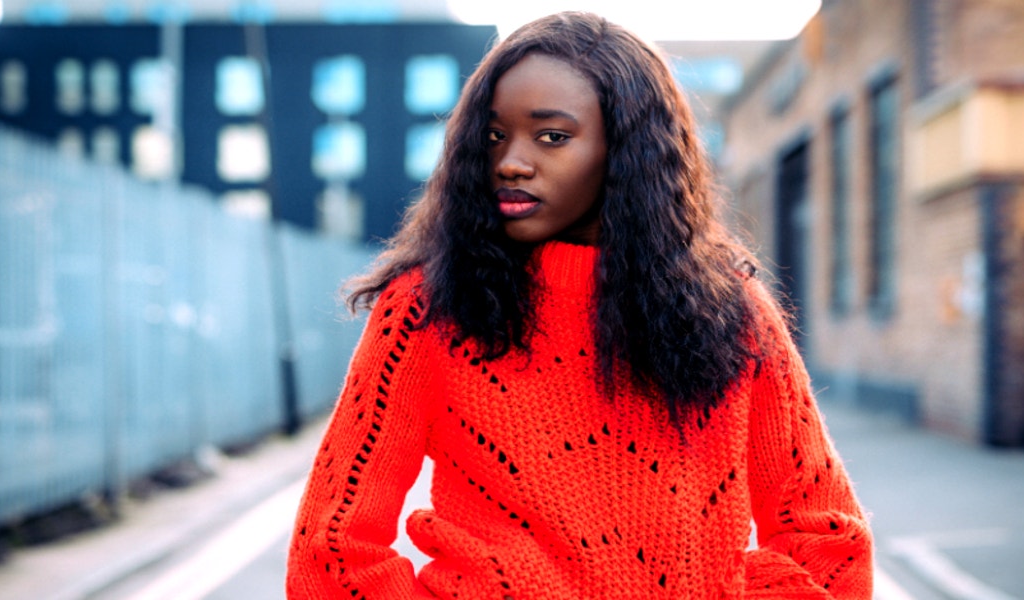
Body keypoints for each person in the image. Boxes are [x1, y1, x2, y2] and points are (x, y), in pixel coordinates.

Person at [286, 11, 872, 599]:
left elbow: (830, 539)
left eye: (552, 137)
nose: (511, 161)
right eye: (493, 136)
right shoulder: (427, 307)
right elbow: (333, 550)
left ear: (626, 152)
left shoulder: (730, 309)